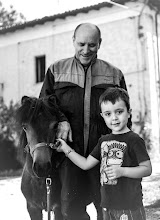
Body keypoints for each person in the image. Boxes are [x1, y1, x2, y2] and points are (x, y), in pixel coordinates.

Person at [39, 23, 130, 220]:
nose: (86, 50)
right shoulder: (56, 70)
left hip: (104, 156)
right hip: (68, 156)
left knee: (108, 208)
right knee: (70, 209)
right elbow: (44, 108)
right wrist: (61, 120)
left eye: (92, 45)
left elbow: (124, 118)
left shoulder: (114, 74)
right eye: (81, 44)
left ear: (100, 44)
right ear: (73, 40)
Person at [57, 87, 152, 220]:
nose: (114, 118)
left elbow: (147, 169)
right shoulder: (103, 141)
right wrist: (65, 148)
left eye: (119, 112)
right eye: (108, 114)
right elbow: (85, 164)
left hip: (129, 207)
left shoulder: (134, 140)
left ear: (129, 113)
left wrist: (122, 171)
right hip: (107, 207)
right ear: (102, 116)